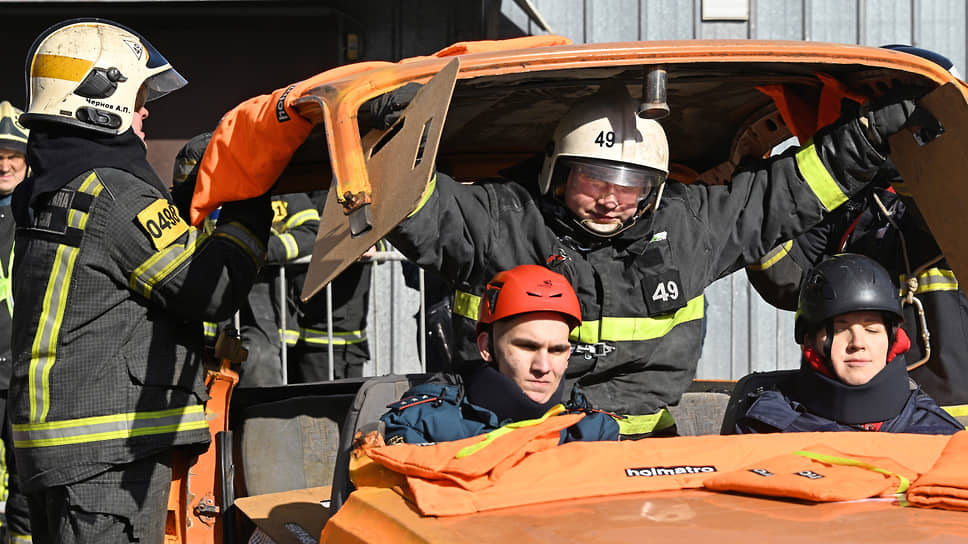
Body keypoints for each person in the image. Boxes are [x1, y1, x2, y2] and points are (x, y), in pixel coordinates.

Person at [382, 79, 920, 437]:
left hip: (641, 454)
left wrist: (868, 137)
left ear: (657, 190)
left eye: (634, 186)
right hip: (507, 442)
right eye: (594, 179)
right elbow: (416, 210)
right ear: (558, 171)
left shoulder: (688, 227)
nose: (612, 199)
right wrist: (386, 140)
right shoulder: (499, 218)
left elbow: (786, 194)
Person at [10, 19, 273, 541]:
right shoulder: (115, 196)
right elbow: (210, 288)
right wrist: (248, 204)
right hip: (103, 455)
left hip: (61, 442)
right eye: (137, 99)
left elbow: (137, 263)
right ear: (98, 103)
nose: (146, 111)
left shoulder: (52, 187)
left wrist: (181, 203)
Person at [746, 45, 968, 406]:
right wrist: (758, 196)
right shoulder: (854, 206)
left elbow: (943, 220)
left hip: (954, 432)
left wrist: (918, 166)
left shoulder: (950, 199)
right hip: (863, 417)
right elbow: (789, 284)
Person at [381, 264, 620, 444]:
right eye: (527, 347)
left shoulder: (593, 431)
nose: (543, 366)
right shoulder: (421, 423)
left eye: (556, 350)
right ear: (486, 346)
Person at [735, 254, 963, 434]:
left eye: (872, 329)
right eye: (841, 329)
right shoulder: (765, 425)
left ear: (893, 340)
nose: (858, 343)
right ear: (809, 338)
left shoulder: (937, 434)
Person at [0, 100, 30, 543]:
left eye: (13, 158)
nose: (3, 166)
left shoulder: (40, 212)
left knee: (27, 490)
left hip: (27, 374)